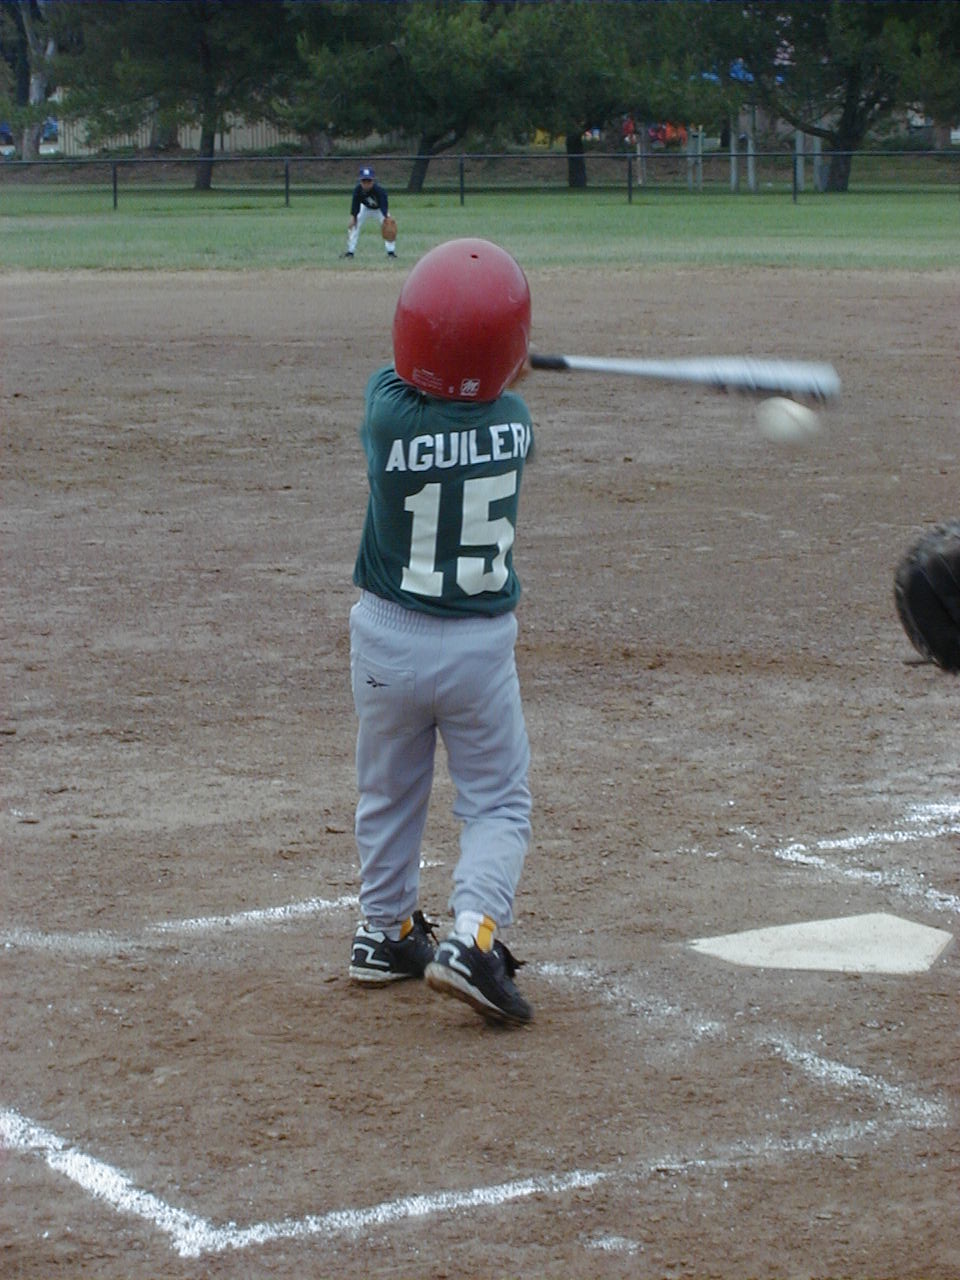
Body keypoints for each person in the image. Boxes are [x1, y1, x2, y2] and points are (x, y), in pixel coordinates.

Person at [347, 238, 535, 1025]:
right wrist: (501, 368)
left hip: (385, 642)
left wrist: (473, 360)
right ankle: (472, 938)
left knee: (389, 792)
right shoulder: (517, 423)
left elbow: (406, 375)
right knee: (498, 804)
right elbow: (488, 399)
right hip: (476, 651)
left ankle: (384, 931)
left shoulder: (385, 414)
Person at [344, 165, 397, 260]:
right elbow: (355, 204)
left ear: (373, 181)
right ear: (360, 181)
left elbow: (384, 204)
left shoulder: (380, 191)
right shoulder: (358, 190)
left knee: (389, 227)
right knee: (354, 226)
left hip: (379, 209)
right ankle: (350, 252)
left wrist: (386, 217)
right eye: (364, 181)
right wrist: (354, 217)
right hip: (365, 208)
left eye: (369, 181)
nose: (366, 184)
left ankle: (391, 252)